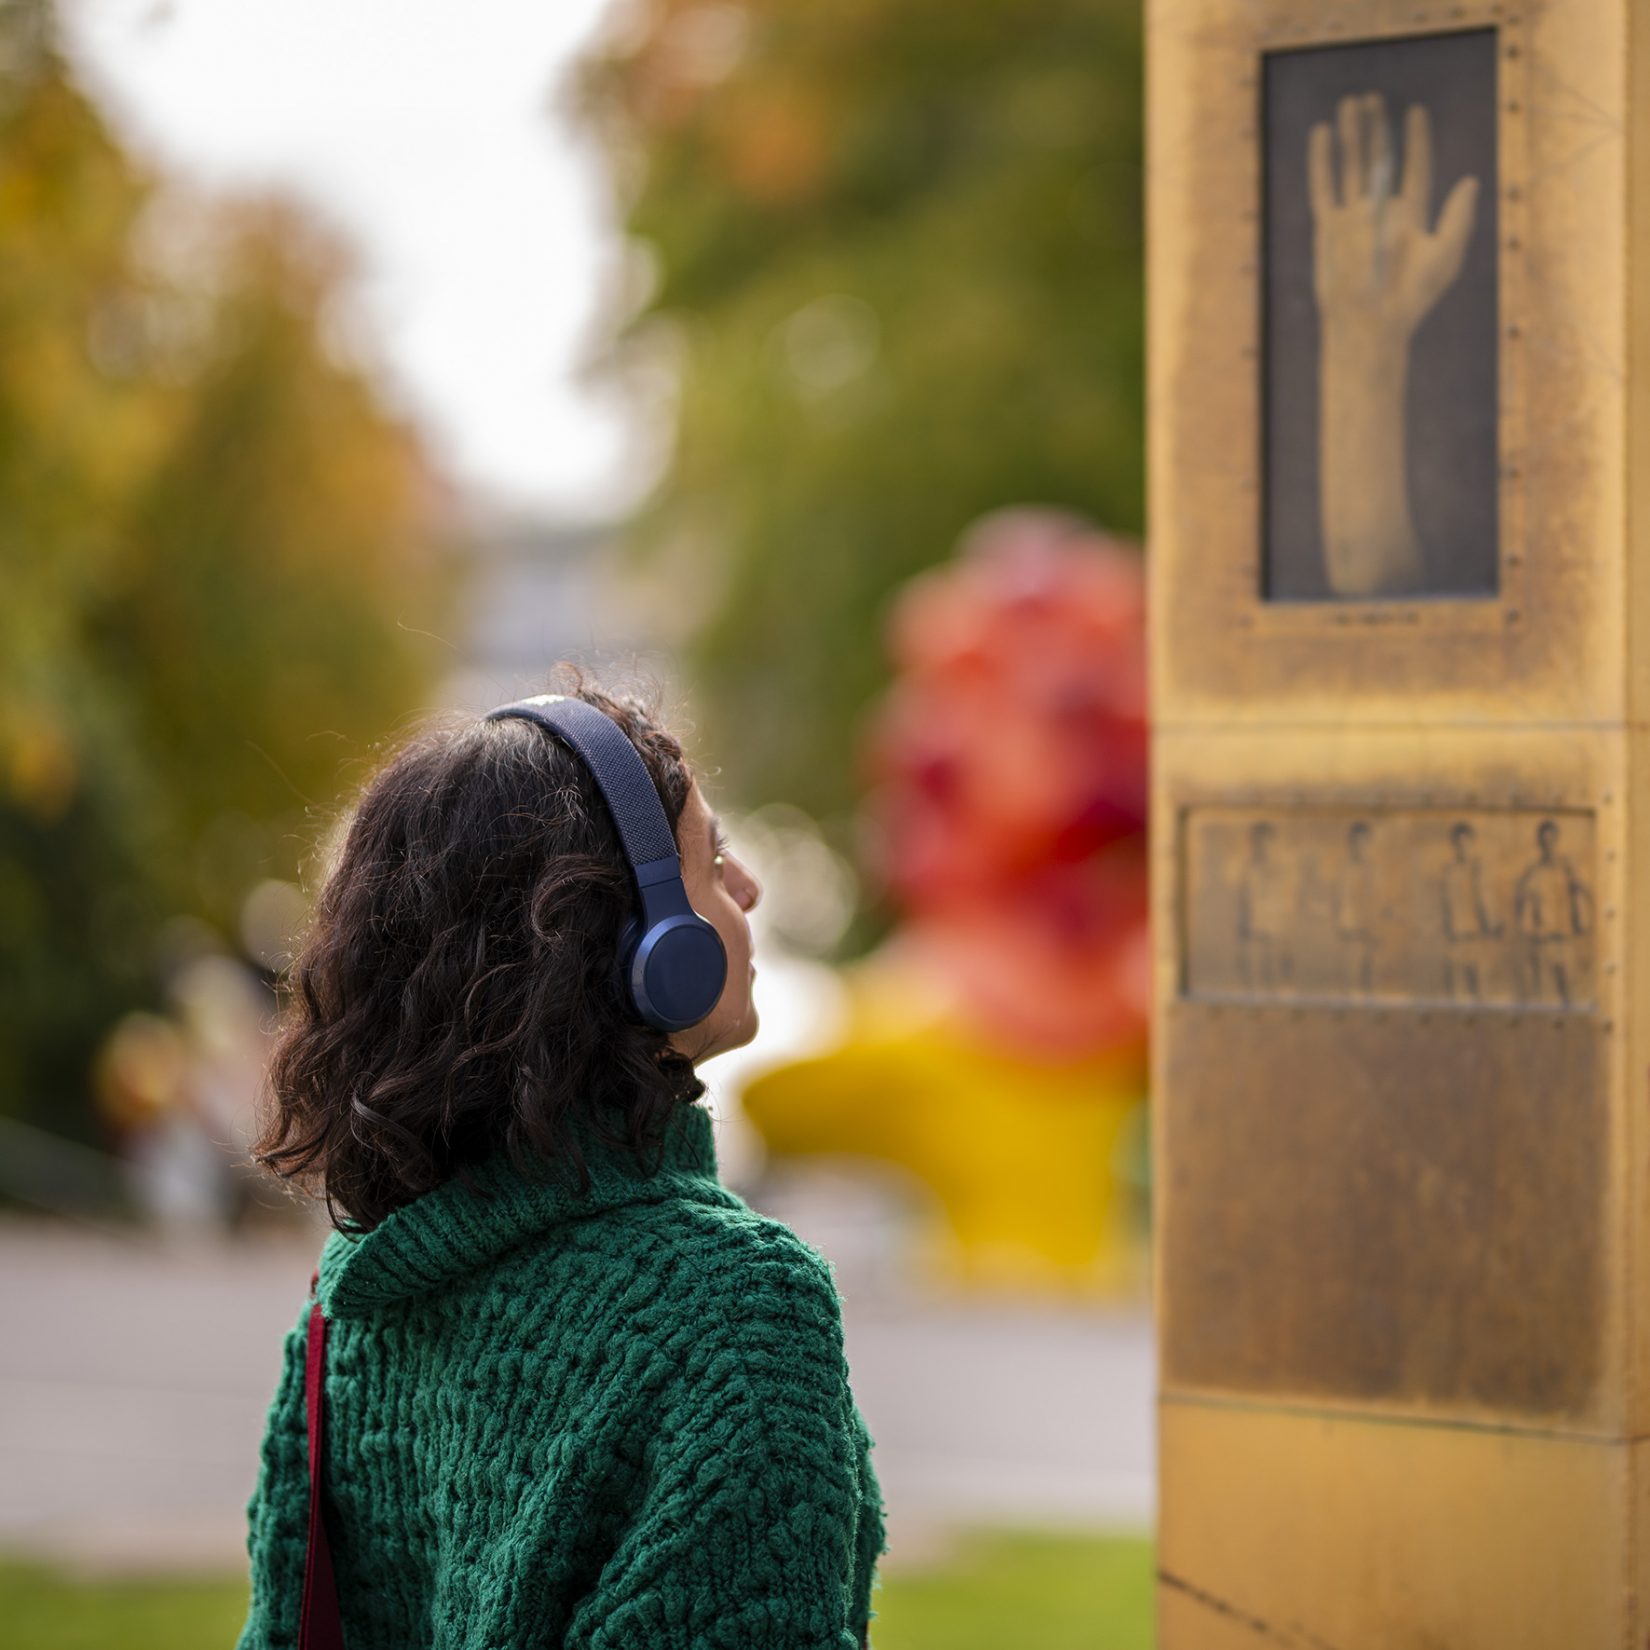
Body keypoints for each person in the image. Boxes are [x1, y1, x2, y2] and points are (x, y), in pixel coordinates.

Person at [234, 669, 888, 1650]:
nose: (747, 889)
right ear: (644, 945)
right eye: (713, 862)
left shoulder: (352, 1311)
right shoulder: (739, 1307)